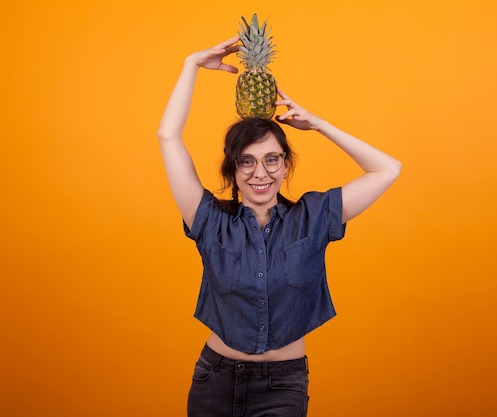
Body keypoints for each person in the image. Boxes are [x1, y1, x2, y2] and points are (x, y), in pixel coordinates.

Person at [157, 35, 401, 417]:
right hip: (214, 380)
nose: (261, 173)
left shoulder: (314, 216)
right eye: (247, 162)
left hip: (282, 385)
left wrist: (320, 125)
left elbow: (388, 169)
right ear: (233, 170)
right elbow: (167, 136)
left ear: (286, 165)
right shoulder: (208, 220)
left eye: (272, 159)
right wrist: (191, 64)